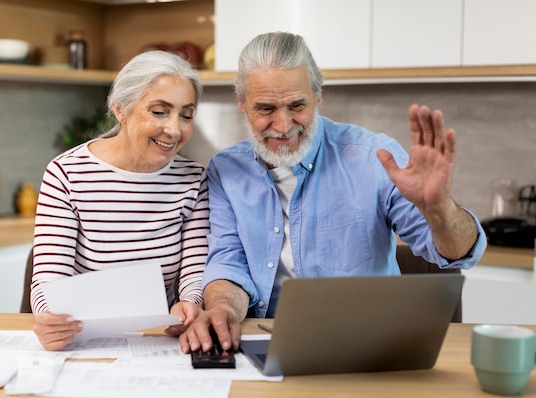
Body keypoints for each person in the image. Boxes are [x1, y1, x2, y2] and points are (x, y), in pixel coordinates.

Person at [179, 32, 487, 354]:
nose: (283, 126)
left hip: (368, 343)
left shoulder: (373, 157)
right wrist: (225, 310)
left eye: (297, 105)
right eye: (266, 109)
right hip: (264, 341)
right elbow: (228, 260)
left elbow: (457, 253)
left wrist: (440, 211)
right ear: (242, 103)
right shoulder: (226, 170)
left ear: (318, 94)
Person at [30, 50, 209, 351]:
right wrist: (50, 320)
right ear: (121, 110)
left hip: (159, 340)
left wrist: (190, 304)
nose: (174, 129)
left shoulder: (194, 179)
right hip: (85, 339)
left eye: (186, 115)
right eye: (159, 111)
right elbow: (49, 280)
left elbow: (195, 271)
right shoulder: (66, 173)